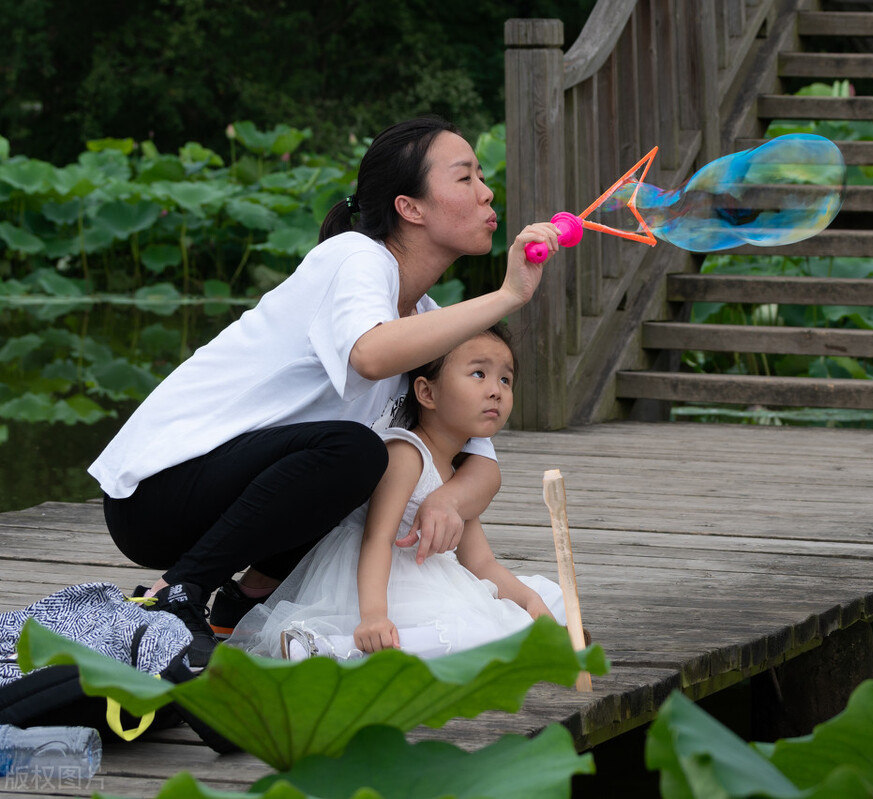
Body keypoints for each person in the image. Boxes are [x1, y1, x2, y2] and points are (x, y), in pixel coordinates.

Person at [87, 117, 563, 668]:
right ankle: (177, 594)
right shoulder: (356, 259)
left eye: (482, 177)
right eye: (465, 178)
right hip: (158, 496)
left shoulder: (426, 320)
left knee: (389, 475)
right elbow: (371, 353)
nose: (487, 192)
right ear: (410, 207)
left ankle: (246, 598)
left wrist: (449, 499)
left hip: (235, 506)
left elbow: (474, 451)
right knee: (356, 453)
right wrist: (507, 296)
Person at [228, 324, 565, 661]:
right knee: (479, 632)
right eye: (479, 374)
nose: (496, 391)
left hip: (432, 581)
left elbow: (481, 562)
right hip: (378, 583)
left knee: (553, 599)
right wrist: (374, 615)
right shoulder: (406, 453)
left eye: (505, 380)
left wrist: (527, 600)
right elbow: (376, 539)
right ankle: (326, 646)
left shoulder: (460, 474)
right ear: (427, 393)